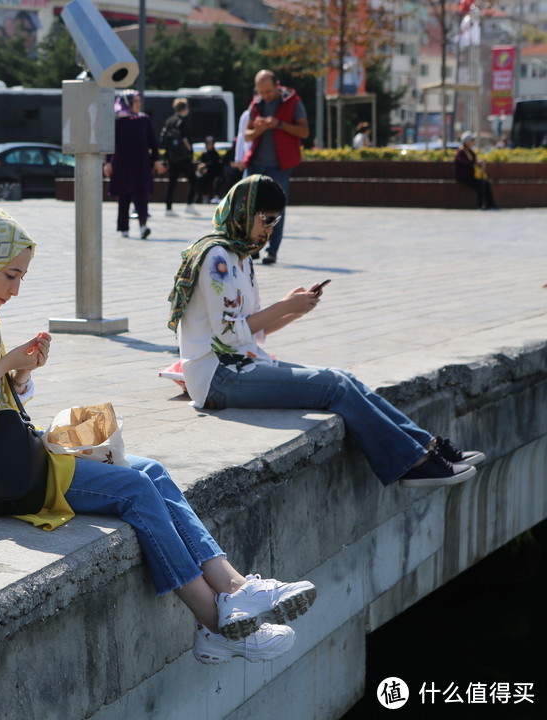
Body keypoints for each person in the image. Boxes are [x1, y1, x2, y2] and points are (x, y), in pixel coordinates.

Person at [0, 205, 317, 664]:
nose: (14, 289)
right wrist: (6, 364)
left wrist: (21, 374)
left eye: (21, 277)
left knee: (152, 470)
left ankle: (236, 587)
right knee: (134, 487)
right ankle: (216, 625)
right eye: (10, 275)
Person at [165, 175, 486, 489]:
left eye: (275, 222)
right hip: (217, 378)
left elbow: (252, 331)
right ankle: (410, 464)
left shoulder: (241, 256)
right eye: (266, 220)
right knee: (334, 386)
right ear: (243, 213)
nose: (269, 230)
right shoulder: (216, 257)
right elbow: (228, 334)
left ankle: (427, 447)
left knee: (344, 378)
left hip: (242, 364)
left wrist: (295, 310)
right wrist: (285, 305)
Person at [244, 70, 309, 265]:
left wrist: (279, 124)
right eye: (262, 92)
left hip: (279, 166)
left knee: (276, 209)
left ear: (277, 85)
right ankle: (252, 247)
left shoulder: (292, 102)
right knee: (249, 207)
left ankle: (272, 251)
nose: (266, 96)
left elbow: (304, 131)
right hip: (255, 163)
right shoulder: (256, 103)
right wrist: (258, 129)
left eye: (269, 92)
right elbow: (247, 135)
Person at [105, 90, 165, 240]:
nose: (139, 104)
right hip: (121, 165)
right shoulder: (117, 121)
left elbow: (153, 142)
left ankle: (143, 226)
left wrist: (156, 160)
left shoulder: (144, 120)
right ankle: (124, 228)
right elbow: (110, 144)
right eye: (136, 101)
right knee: (123, 197)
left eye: (139, 101)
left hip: (141, 164)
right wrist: (107, 162)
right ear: (128, 102)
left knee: (142, 195)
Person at [161, 98, 196, 217]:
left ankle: (168, 208)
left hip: (171, 157)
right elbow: (185, 139)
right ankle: (190, 204)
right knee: (193, 179)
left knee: (172, 182)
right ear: (184, 108)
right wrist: (190, 150)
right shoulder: (182, 121)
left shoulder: (169, 120)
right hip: (183, 156)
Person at [454, 131, 498, 211]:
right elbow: (466, 162)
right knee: (480, 185)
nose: (473, 142)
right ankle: (480, 205)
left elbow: (473, 160)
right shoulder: (461, 152)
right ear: (467, 142)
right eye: (472, 140)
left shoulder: (470, 151)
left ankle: (491, 205)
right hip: (464, 177)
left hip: (471, 176)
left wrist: (478, 162)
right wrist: (476, 162)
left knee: (485, 183)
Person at [194, 136, 222, 204]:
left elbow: (217, 165)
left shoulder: (216, 154)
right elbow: (201, 164)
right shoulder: (204, 154)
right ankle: (202, 196)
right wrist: (202, 168)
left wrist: (206, 165)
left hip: (215, 173)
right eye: (208, 143)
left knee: (217, 180)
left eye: (211, 143)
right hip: (206, 173)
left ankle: (216, 197)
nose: (210, 145)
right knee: (200, 179)